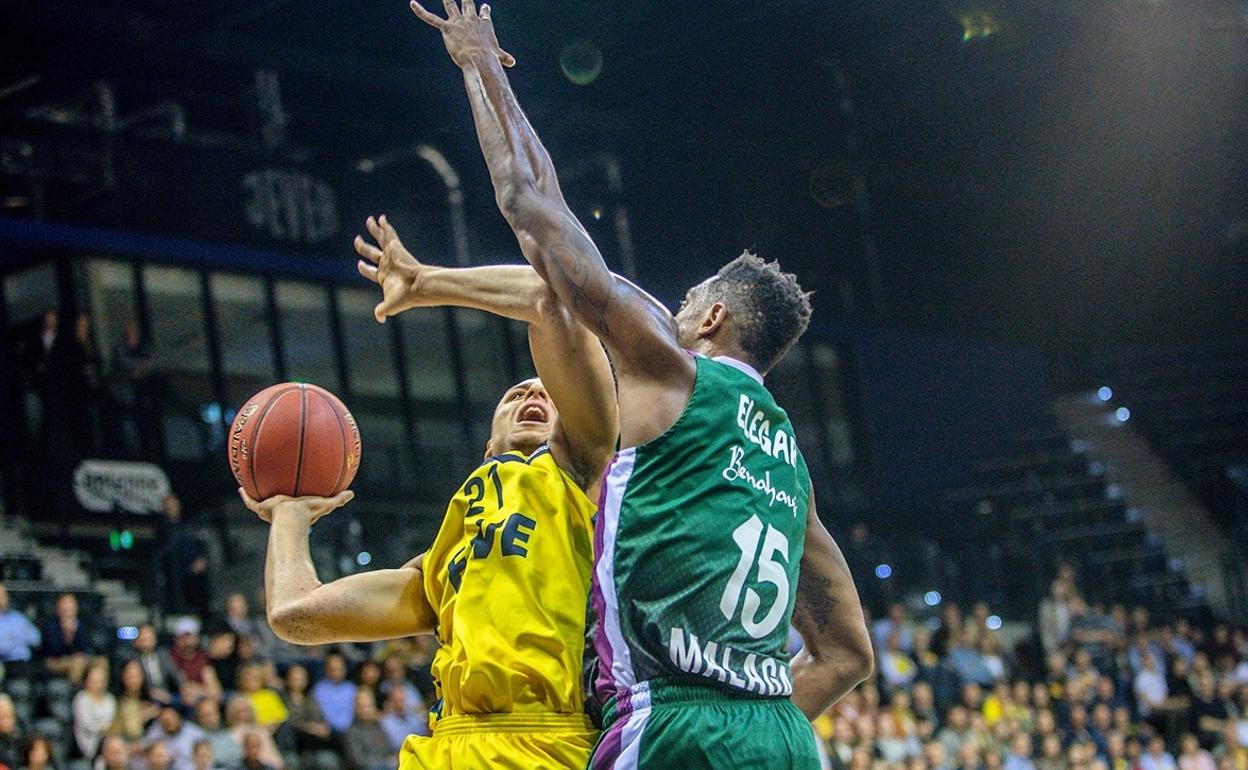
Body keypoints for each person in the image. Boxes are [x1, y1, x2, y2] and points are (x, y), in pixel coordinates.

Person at [409, 2, 874, 766]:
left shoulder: (670, 366)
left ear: (713, 316)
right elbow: (848, 655)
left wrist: (479, 64)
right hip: (782, 739)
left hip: (671, 723)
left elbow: (531, 205)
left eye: (688, 301)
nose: (676, 310)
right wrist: (750, 722)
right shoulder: (789, 465)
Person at [244, 240, 619, 770]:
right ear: (487, 445)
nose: (534, 396)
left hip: (548, 744)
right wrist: (289, 514)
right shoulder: (445, 562)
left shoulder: (580, 475)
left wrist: (425, 283)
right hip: (443, 747)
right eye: (516, 394)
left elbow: (550, 299)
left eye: (548, 394)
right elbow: (294, 615)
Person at [168, 619, 221, 706]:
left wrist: (196, 689)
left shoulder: (202, 658)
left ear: (197, 638)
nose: (188, 642)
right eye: (183, 638)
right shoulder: (169, 657)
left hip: (200, 702)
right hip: (175, 701)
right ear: (176, 639)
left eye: (191, 637)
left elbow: (215, 692)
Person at [73, 663, 117, 760]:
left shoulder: (110, 699)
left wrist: (106, 729)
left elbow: (110, 721)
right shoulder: (81, 698)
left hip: (107, 738)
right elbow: (86, 724)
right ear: (86, 681)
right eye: (94, 681)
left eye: (100, 681)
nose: (98, 684)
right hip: (87, 740)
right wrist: (102, 729)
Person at [0, 583, 41, 680]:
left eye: (3, 597)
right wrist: (19, 638)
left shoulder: (18, 617)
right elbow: (3, 648)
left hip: (21, 664)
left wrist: (10, 639)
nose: (1, 600)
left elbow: (36, 639)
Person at [342, 692, 391, 770]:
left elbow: (390, 750)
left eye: (369, 706)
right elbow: (358, 761)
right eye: (362, 706)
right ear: (355, 709)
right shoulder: (350, 732)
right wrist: (384, 762)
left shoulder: (379, 728)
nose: (366, 710)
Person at [309, 654, 356, 736]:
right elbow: (318, 714)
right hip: (328, 732)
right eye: (332, 669)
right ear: (326, 670)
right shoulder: (319, 689)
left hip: (352, 731)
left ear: (345, 670)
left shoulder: (352, 688)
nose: (336, 672)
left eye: (339, 669)